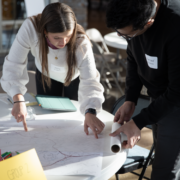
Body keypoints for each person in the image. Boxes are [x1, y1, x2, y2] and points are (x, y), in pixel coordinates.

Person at [1, 2, 105, 139]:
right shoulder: (31, 28)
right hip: (45, 74)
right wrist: (18, 99)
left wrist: (90, 111)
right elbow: (13, 64)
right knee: (47, 120)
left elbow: (90, 81)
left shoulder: (81, 42)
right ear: (45, 31)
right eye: (57, 37)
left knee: (71, 121)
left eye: (68, 36)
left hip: (74, 78)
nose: (63, 42)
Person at [106, 0, 180, 179]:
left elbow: (177, 92)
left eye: (128, 35)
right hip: (159, 98)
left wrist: (138, 121)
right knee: (162, 159)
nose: (125, 38)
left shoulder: (175, 26)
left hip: (176, 102)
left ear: (149, 22)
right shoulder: (134, 13)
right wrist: (130, 99)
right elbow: (133, 58)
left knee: (164, 172)